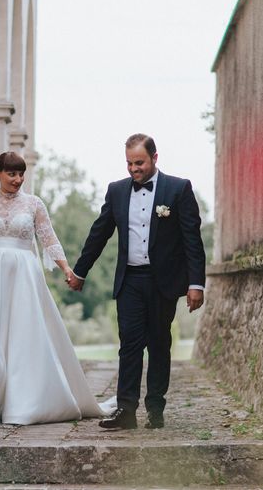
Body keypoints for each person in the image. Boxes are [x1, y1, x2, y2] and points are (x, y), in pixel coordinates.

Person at [0, 151, 113, 424]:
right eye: (12, 174)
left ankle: (26, 397)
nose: (17, 180)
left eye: (21, 174)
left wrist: (66, 269)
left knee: (22, 333)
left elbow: (49, 240)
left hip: (24, 275)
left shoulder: (34, 204)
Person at [68, 134, 206, 430]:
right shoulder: (116, 191)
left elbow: (192, 240)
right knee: (129, 344)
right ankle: (125, 410)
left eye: (139, 162)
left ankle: (155, 407)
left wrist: (197, 284)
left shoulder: (179, 189)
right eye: (129, 163)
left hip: (163, 282)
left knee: (158, 343)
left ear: (155, 158)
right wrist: (80, 272)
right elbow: (99, 233)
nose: (134, 169)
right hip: (130, 279)